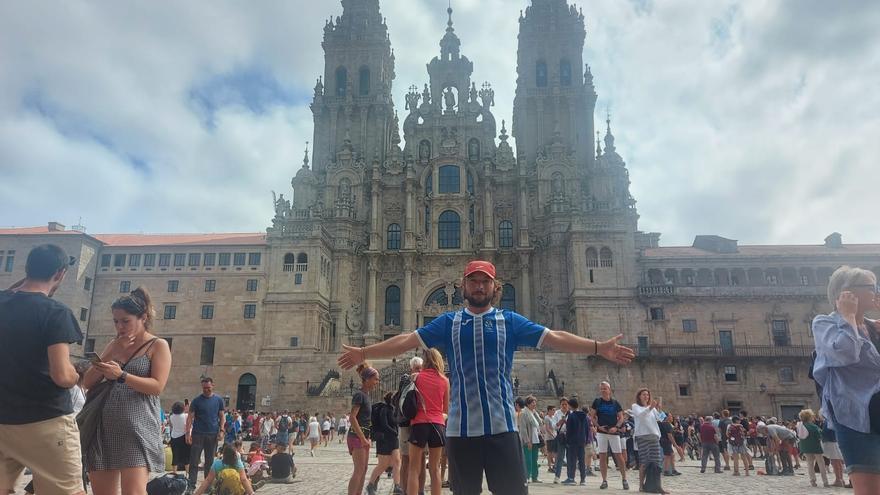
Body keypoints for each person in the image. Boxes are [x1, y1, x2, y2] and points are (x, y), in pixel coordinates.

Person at [338, 260, 634, 494]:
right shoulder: (448, 322)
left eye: (485, 281)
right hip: (461, 432)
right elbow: (406, 339)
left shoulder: (510, 321)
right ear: (463, 286)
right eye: (473, 281)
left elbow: (554, 337)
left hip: (502, 429)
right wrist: (365, 353)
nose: (479, 286)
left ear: (495, 288)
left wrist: (598, 347)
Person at [0, 245, 85, 495]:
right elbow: (61, 376)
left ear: (27, 268)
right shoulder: (55, 313)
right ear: (60, 274)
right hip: (45, 419)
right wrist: (77, 375)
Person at [81, 287, 172, 495]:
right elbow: (88, 381)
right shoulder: (114, 345)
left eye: (125, 321)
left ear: (143, 318)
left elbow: (157, 386)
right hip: (102, 428)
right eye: (116, 321)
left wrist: (122, 375)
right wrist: (111, 352)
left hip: (136, 429)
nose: (120, 326)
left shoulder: (158, 345)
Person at [813, 266, 880, 495]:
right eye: (871, 287)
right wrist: (849, 317)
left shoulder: (874, 326)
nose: (876, 292)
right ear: (847, 293)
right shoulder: (824, 324)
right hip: (857, 420)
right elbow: (845, 353)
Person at [407, 348, 449, 495]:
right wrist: (437, 416)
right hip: (437, 425)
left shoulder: (416, 377)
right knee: (435, 468)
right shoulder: (445, 380)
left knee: (414, 468)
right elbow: (446, 410)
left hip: (419, 423)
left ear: (425, 361)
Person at [185, 377, 226, 492]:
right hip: (198, 434)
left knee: (210, 462)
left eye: (208, 388)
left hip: (212, 434)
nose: (206, 390)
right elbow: (190, 418)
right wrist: (188, 433)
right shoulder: (196, 401)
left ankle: (208, 486)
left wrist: (222, 430)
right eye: (204, 388)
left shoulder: (218, 400)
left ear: (213, 385)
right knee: (194, 461)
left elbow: (222, 416)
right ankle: (191, 486)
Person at [590, 381, 630, 490]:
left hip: (614, 432)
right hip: (602, 432)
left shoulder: (615, 403)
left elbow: (621, 417)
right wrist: (598, 426)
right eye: (601, 389)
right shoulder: (597, 402)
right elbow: (592, 416)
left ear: (609, 390)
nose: (603, 390)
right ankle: (604, 480)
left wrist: (616, 427)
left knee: (618, 455)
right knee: (603, 456)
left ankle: (624, 479)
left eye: (605, 388)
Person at [347, 362, 379, 495]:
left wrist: (368, 437)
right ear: (366, 380)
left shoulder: (366, 396)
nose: (377, 382)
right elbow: (352, 417)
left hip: (363, 436)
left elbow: (366, 420)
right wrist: (362, 438)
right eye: (375, 379)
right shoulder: (360, 395)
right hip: (356, 436)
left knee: (364, 469)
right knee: (359, 469)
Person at [396, 356, 426, 494]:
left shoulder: (425, 380)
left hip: (420, 424)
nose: (419, 371)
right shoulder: (405, 380)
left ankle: (420, 490)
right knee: (406, 458)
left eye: (421, 368)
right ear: (411, 369)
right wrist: (413, 380)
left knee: (421, 459)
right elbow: (403, 398)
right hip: (406, 424)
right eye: (416, 369)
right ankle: (404, 488)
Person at [366, 392, 402, 495]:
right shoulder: (384, 409)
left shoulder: (393, 409)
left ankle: (397, 486)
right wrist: (394, 432)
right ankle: (370, 485)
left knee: (397, 461)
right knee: (383, 464)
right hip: (384, 439)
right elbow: (384, 424)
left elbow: (396, 422)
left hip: (393, 439)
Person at [631, 389, 665, 494]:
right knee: (644, 462)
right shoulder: (635, 406)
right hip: (642, 436)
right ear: (639, 396)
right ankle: (641, 485)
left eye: (647, 395)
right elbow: (641, 416)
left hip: (654, 436)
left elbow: (661, 419)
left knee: (657, 462)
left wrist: (659, 409)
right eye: (644, 394)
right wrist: (650, 408)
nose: (646, 396)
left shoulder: (652, 409)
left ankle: (658, 486)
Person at [560, 398, 590, 486]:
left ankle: (571, 478)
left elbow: (569, 430)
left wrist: (567, 440)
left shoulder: (571, 416)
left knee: (572, 460)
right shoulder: (584, 415)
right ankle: (583, 479)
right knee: (581, 460)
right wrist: (586, 439)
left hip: (573, 441)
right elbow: (587, 429)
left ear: (570, 406)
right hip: (582, 440)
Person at [796, 409, 829, 487]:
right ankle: (825, 481)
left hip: (806, 447)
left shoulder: (800, 426)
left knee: (810, 464)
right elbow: (819, 436)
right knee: (821, 464)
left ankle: (812, 481)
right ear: (809, 417)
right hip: (816, 447)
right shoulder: (813, 427)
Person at [517, 396, 542, 484]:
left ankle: (535, 477)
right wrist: (527, 441)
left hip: (535, 439)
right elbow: (523, 428)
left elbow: (539, 423)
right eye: (532, 403)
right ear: (528, 404)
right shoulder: (524, 413)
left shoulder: (533, 413)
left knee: (535, 459)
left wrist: (536, 413)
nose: (534, 404)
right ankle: (526, 476)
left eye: (535, 402)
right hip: (528, 440)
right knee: (528, 459)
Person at [169, 402, 190, 474]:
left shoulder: (171, 416)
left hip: (174, 437)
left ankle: (174, 471)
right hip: (183, 436)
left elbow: (171, 426)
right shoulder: (185, 416)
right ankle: (188, 472)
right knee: (186, 455)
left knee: (175, 455)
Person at [542, 405, 558, 473]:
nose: (554, 411)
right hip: (550, 437)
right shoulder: (547, 418)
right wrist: (552, 435)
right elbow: (547, 428)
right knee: (550, 452)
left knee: (555, 452)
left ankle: (555, 465)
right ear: (549, 410)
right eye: (553, 410)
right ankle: (549, 466)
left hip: (555, 435)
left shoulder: (554, 417)